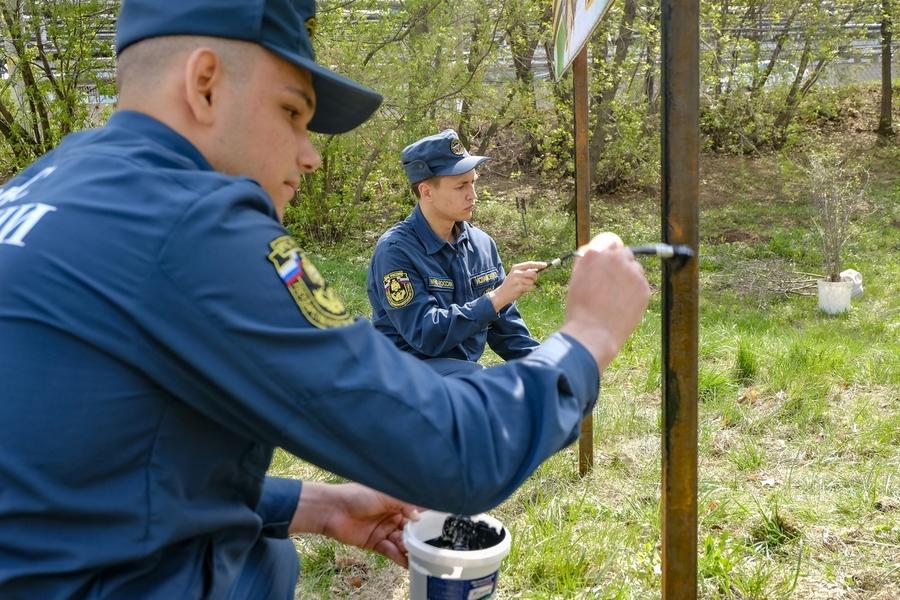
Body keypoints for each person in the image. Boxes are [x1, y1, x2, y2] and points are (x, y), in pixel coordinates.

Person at [0, 0, 651, 598]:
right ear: (204, 84)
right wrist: (588, 335)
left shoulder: (39, 189)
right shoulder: (195, 224)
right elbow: (455, 454)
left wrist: (314, 505)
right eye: (291, 112)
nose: (310, 155)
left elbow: (88, 476)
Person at [367, 129, 546, 376]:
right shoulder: (395, 251)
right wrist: (496, 298)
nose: (473, 195)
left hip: (462, 375)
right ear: (426, 191)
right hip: (406, 380)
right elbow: (426, 335)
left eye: (473, 182)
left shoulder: (482, 245)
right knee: (489, 387)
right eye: (461, 186)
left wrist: (550, 366)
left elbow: (507, 333)